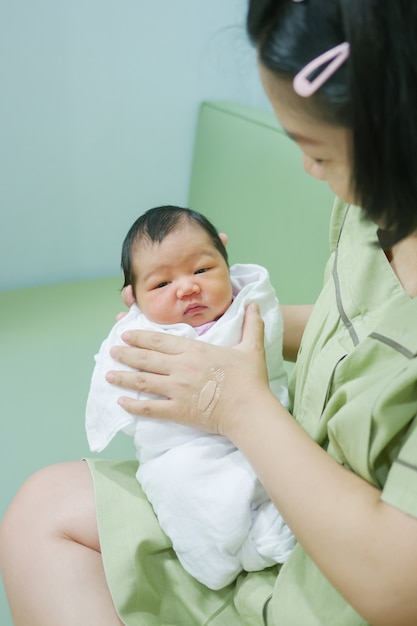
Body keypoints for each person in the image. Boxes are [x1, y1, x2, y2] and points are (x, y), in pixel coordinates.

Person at [1, 0, 417, 624]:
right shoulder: (375, 206)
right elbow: (360, 332)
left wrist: (235, 403)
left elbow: (397, 589)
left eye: (321, 153)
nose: (309, 170)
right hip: (275, 478)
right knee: (39, 509)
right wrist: (221, 336)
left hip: (339, 575)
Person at [85, 205, 293, 590]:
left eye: (201, 270)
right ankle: (219, 550)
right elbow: (114, 376)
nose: (186, 287)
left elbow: (267, 347)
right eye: (160, 285)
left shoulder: (249, 307)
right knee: (176, 481)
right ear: (133, 297)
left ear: (225, 257)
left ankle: (265, 534)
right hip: (179, 447)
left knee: (277, 469)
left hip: (258, 427)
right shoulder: (140, 333)